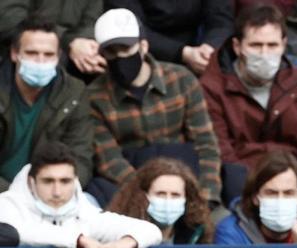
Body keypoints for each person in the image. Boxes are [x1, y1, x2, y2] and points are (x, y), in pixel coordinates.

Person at [200, 4, 297, 213]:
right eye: (256, 45)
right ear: (237, 46)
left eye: (272, 45)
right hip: (243, 194)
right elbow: (222, 156)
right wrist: (267, 194)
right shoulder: (211, 86)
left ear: (284, 45)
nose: (264, 54)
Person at [85, 7, 224, 206]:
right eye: (111, 51)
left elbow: (206, 144)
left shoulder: (181, 80)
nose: (119, 57)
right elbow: (109, 159)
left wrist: (206, 195)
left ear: (143, 46)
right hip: (134, 189)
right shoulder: (94, 96)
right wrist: (147, 197)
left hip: (187, 180)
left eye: (125, 48)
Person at [0, 16, 95, 217]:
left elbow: (81, 160)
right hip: (0, 194)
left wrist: (53, 193)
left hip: (56, 193)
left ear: (58, 56)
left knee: (92, 206)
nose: (40, 61)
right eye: (32, 53)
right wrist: (20, 198)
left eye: (48, 54)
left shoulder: (75, 93)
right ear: (15, 54)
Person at [0, 140, 162, 248]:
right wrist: (81, 240)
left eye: (65, 181)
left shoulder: (85, 212)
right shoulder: (6, 204)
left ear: (75, 181)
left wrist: (123, 244)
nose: (57, 191)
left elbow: (151, 231)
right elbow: (18, 232)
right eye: (48, 181)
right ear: (31, 182)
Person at [214, 151, 297, 244]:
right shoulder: (231, 230)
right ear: (255, 197)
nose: (280, 200)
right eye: (271, 193)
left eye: (288, 193)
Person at [0, 0, 107, 78]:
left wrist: (87, 46)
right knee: (51, 65)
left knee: (108, 60)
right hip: (7, 49)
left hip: (69, 47)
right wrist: (70, 41)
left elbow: (92, 22)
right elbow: (11, 22)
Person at [107, 0, 234, 76]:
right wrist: (183, 53)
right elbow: (129, 26)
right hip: (146, 51)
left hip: (199, 48)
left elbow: (221, 20)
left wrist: (209, 48)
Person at [107, 157, 214, 243]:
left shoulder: (197, 233)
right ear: (143, 195)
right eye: (160, 194)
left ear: (187, 198)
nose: (168, 201)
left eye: (175, 195)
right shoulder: (118, 233)